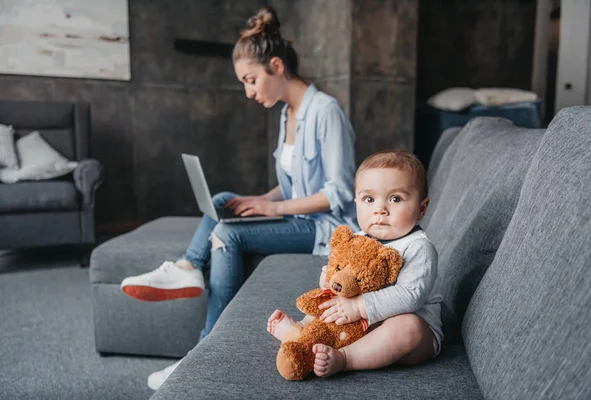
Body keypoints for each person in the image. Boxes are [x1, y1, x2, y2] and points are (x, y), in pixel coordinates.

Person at [120, 5, 359, 390]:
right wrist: (260, 199)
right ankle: (186, 267)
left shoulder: (326, 111)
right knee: (226, 200)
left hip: (324, 229)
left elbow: (338, 193)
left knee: (228, 234)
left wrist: (273, 208)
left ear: (276, 67)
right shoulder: (288, 114)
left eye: (251, 80)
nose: (249, 92)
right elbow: (295, 184)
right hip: (297, 217)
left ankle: (200, 356)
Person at [267, 150, 443, 377]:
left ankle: (346, 358)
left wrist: (359, 306)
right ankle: (304, 334)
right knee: (330, 302)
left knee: (409, 327)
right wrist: (330, 283)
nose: (380, 209)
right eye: (369, 199)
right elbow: (344, 277)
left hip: (409, 335)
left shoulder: (419, 247)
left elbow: (411, 295)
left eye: (395, 199)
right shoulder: (358, 239)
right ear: (357, 202)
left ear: (421, 208)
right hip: (357, 325)